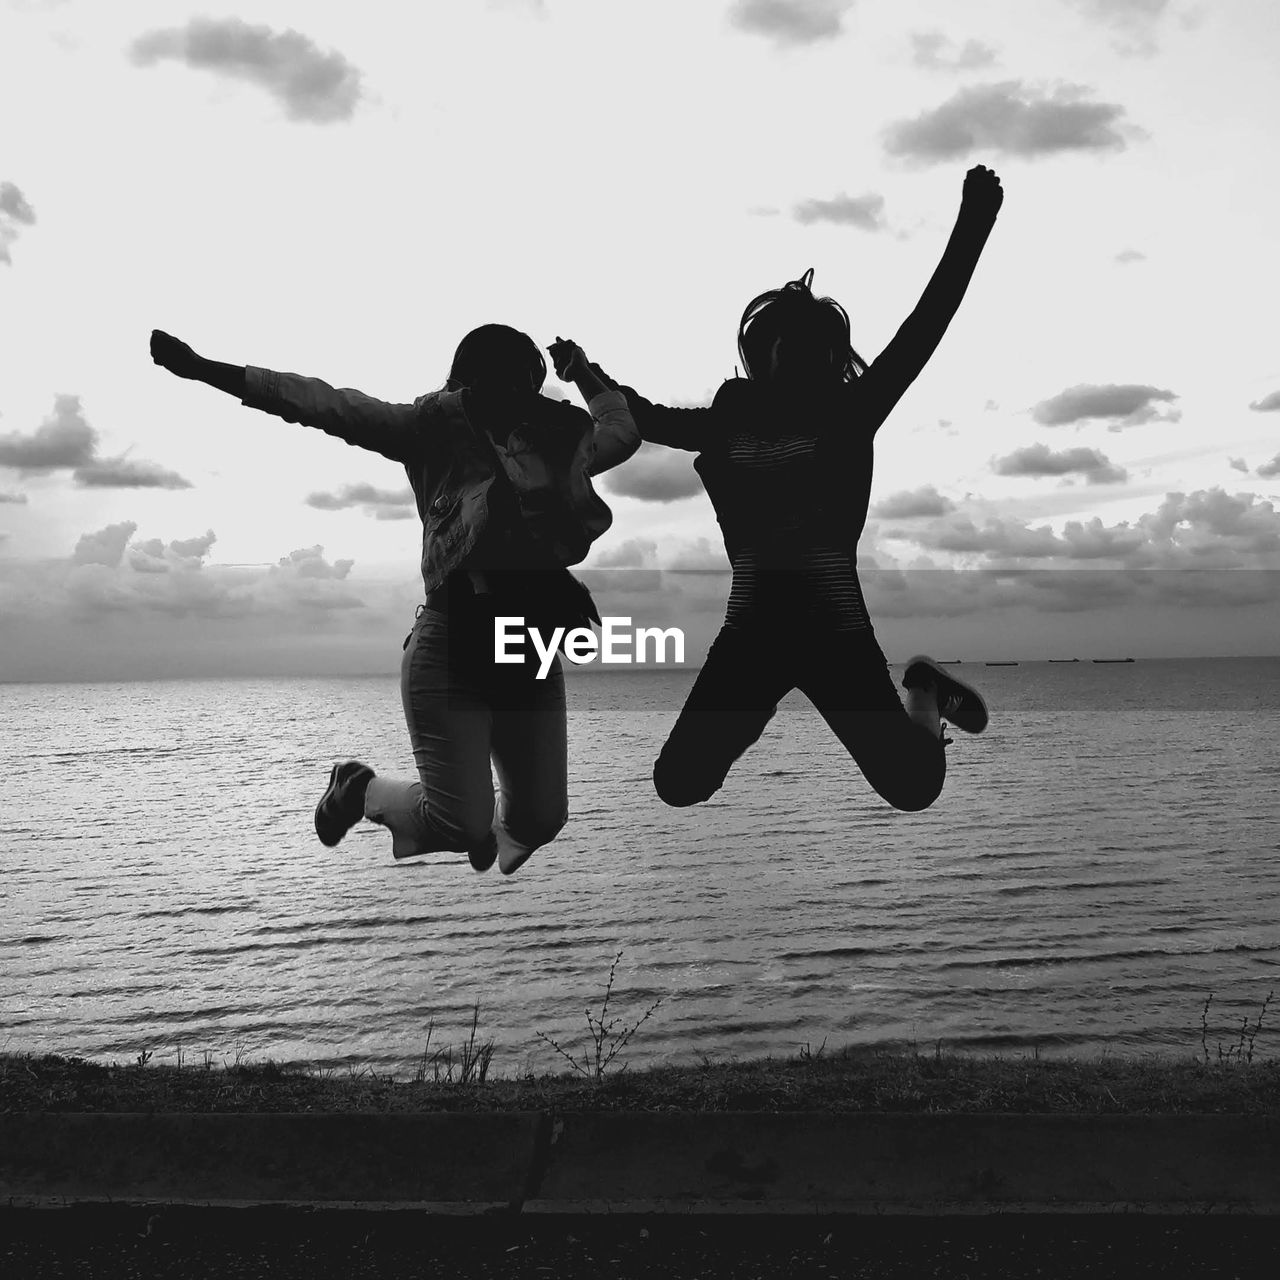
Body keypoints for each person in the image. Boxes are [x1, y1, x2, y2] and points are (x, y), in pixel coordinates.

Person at [562, 164, 1004, 815]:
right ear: (761, 349)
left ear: (828, 356)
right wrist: (583, 372)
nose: (792, 355)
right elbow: (642, 415)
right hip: (752, 637)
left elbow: (924, 327)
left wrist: (973, 222)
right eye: (780, 343)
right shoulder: (725, 423)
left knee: (915, 788)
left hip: (835, 633)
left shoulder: (852, 412)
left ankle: (924, 691)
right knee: (677, 784)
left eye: (809, 346)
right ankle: (753, 710)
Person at [150, 324, 639, 874]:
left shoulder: (550, 448)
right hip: (452, 646)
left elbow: (619, 430)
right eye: (503, 376)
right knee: (459, 823)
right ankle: (362, 790)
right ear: (467, 379)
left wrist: (584, 374)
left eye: (526, 380)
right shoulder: (429, 431)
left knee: (542, 819)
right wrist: (206, 370)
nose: (514, 392)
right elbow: (322, 403)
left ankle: (488, 832)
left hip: (528, 648)